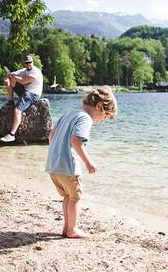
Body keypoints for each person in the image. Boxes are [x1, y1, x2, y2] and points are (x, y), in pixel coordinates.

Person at [46, 87, 117, 238]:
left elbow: (51, 135)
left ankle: (66, 228)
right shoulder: (85, 118)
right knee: (75, 197)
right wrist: (88, 161)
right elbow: (75, 140)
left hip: (53, 165)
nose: (103, 120)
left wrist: (57, 152)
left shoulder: (68, 114)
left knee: (67, 197)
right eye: (105, 116)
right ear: (99, 106)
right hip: (68, 166)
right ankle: (72, 229)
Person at [0, 55, 43, 142]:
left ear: (33, 62)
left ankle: (12, 134)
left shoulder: (35, 72)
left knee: (17, 110)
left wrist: (13, 76)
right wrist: (6, 80)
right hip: (26, 91)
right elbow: (9, 74)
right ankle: (10, 100)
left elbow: (23, 81)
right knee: (11, 78)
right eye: (26, 63)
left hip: (33, 94)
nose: (28, 65)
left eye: (30, 62)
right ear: (24, 64)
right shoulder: (24, 70)